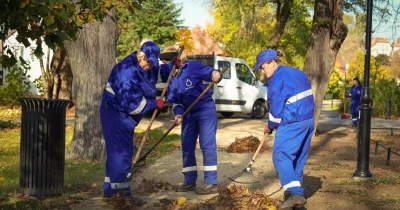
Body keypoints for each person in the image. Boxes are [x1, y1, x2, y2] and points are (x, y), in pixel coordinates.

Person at [100, 41, 165, 202]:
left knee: (117, 153)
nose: (148, 66)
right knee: (121, 154)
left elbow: (159, 70)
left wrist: (173, 66)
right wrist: (154, 103)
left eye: (151, 63)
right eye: (146, 62)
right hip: (115, 113)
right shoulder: (125, 72)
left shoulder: (149, 65)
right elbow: (133, 106)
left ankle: (110, 192)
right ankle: (121, 197)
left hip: (123, 116)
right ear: (139, 55)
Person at [254, 48, 315, 209]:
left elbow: (276, 112)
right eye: (260, 67)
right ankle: (296, 199)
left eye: (263, 66)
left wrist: (270, 126)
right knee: (297, 159)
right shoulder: (296, 72)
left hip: (293, 122)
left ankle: (294, 193)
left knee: (281, 155)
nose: (262, 69)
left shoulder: (275, 80)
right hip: (308, 121)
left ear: (273, 62)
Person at [167, 60, 222, 195]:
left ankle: (211, 182)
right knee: (187, 146)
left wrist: (216, 74)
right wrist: (179, 114)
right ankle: (189, 181)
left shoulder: (192, 66)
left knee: (207, 146)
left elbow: (211, 72)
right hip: (188, 114)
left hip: (205, 110)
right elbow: (175, 102)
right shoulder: (172, 80)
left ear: (177, 62)